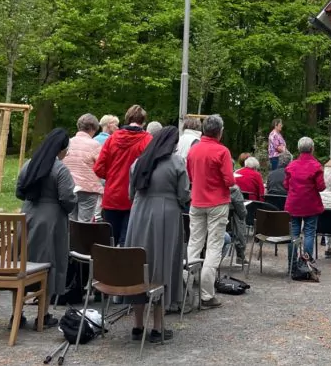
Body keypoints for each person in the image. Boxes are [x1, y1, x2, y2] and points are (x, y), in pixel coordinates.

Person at [126, 126, 188, 343]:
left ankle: (137, 325)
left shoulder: (138, 162)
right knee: (161, 266)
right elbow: (184, 195)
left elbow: (130, 193)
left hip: (139, 215)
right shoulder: (177, 162)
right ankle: (158, 327)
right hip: (166, 216)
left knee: (137, 267)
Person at [16, 128, 76, 328]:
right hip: (51, 221)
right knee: (50, 263)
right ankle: (43, 314)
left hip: (27, 216)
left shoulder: (28, 165)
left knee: (23, 262)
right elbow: (67, 198)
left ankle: (17, 313)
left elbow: (19, 191)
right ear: (61, 149)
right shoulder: (60, 169)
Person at [185, 114, 235, 310]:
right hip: (217, 203)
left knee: (194, 245)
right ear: (219, 132)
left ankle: (185, 288)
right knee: (214, 246)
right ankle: (207, 294)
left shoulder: (193, 150)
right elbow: (229, 181)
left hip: (196, 202)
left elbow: (190, 175)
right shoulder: (222, 152)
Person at [93, 104, 152, 245]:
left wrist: (113, 176)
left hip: (112, 195)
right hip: (134, 198)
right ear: (143, 122)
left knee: (109, 242)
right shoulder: (148, 140)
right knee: (129, 243)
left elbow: (98, 168)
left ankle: (108, 267)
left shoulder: (112, 139)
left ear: (127, 119)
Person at [284, 137, 325, 275]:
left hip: (294, 204)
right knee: (309, 233)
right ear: (312, 149)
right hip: (310, 205)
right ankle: (305, 263)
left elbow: (285, 185)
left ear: (298, 149)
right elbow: (321, 187)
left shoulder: (291, 165)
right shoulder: (316, 166)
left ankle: (291, 264)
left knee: (293, 234)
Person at [64, 113, 103, 222]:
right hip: (88, 189)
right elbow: (101, 166)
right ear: (93, 128)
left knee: (70, 221)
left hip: (69, 187)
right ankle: (82, 239)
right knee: (85, 223)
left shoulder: (67, 143)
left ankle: (69, 239)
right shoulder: (95, 145)